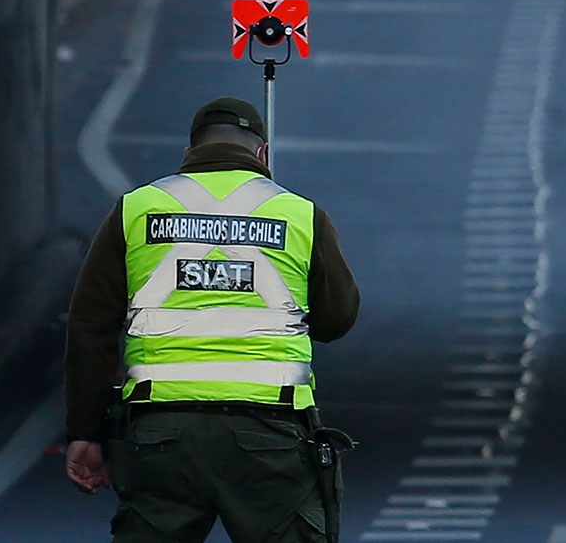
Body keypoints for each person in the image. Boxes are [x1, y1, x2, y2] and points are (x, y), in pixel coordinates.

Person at [64, 96, 360, 542]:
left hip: (161, 434)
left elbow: (91, 326)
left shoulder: (136, 209)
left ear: (190, 152)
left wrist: (87, 431)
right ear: (262, 153)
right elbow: (337, 319)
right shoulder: (299, 214)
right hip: (271, 434)